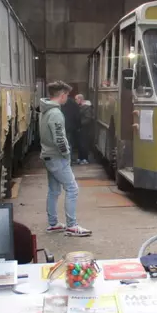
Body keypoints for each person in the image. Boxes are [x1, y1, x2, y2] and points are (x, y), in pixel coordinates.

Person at [40, 81, 91, 237]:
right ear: (62, 95)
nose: (67, 99)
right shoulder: (55, 113)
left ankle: (53, 223)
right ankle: (72, 225)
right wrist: (66, 153)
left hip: (48, 155)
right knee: (72, 189)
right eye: (67, 95)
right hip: (57, 157)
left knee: (54, 191)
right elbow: (60, 138)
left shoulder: (46, 111)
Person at [61, 90, 81, 164]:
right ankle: (69, 159)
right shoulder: (73, 103)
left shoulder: (59, 102)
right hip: (70, 126)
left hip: (61, 125)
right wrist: (78, 125)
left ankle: (63, 159)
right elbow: (77, 115)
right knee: (69, 143)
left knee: (61, 142)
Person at [75, 94, 93, 165]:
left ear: (80, 99)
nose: (75, 101)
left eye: (76, 99)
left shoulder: (87, 108)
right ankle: (80, 158)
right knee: (80, 144)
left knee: (84, 144)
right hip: (80, 128)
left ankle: (85, 158)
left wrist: (80, 123)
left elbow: (88, 119)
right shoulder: (79, 107)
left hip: (85, 129)